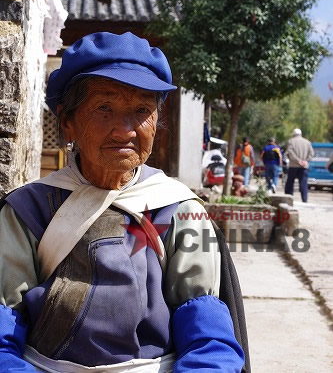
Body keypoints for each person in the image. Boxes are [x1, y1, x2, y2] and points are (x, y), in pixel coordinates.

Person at [0, 32, 247, 372]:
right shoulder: (27, 211)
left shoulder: (180, 210)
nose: (125, 130)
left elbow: (210, 340)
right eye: (104, 108)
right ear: (67, 122)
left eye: (142, 110)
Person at [284, 128, 314, 203]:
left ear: (293, 134)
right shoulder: (307, 142)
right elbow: (312, 154)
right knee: (303, 183)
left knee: (290, 183)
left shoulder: (291, 141)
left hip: (293, 166)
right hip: (304, 167)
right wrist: (305, 161)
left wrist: (298, 161)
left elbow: (290, 152)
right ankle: (304, 200)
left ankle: (288, 199)